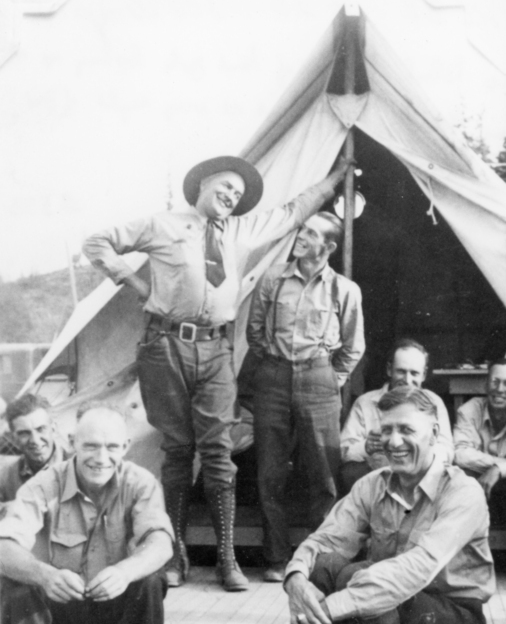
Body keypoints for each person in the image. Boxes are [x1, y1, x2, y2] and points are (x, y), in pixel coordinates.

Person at [83, 154, 352, 591]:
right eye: (225, 187)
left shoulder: (243, 231)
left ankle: (228, 560)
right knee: (176, 450)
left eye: (238, 194)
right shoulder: (161, 224)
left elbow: (293, 211)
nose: (231, 196)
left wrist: (335, 179)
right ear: (203, 184)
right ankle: (176, 557)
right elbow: (97, 242)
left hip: (215, 349)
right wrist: (135, 285)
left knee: (218, 453)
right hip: (164, 345)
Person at [284, 386, 494, 624]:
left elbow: (416, 569)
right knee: (324, 569)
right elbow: (325, 540)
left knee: (363, 580)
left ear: (435, 432)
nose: (393, 442)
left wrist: (324, 611)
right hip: (391, 622)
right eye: (386, 431)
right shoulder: (372, 484)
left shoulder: (463, 491)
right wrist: (296, 580)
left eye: (407, 430)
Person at [0, 404, 175, 624]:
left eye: (112, 447)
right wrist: (44, 575)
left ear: (125, 446)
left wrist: (126, 571)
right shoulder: (43, 484)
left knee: (151, 579)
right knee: (16, 585)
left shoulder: (140, 483)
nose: (101, 457)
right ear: (71, 442)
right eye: (91, 446)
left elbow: (161, 543)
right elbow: (3, 547)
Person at [246, 212, 364, 581]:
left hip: (319, 378)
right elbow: (254, 332)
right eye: (302, 229)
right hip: (274, 376)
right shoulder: (272, 278)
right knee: (270, 471)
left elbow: (353, 346)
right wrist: (278, 366)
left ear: (328, 247)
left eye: (311, 233)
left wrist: (330, 379)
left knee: (324, 476)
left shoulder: (345, 289)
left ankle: (320, 560)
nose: (301, 236)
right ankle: (277, 558)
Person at [340, 339, 453, 492]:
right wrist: (366, 446)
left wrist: (417, 453)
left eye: (414, 373)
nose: (407, 380)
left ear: (424, 374)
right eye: (401, 371)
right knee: (350, 472)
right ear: (389, 369)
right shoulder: (365, 403)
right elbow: (343, 450)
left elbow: (446, 451)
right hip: (376, 478)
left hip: (419, 475)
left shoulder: (434, 403)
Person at [453, 358, 506, 525]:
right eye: (495, 382)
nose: (500, 389)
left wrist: (498, 469)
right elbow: (460, 454)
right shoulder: (469, 410)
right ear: (485, 385)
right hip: (478, 489)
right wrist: (499, 465)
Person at [0, 394, 69, 503]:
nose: (35, 440)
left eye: (41, 429)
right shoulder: (7, 476)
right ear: (14, 438)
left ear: (54, 429)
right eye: (24, 433)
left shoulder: (77, 468)